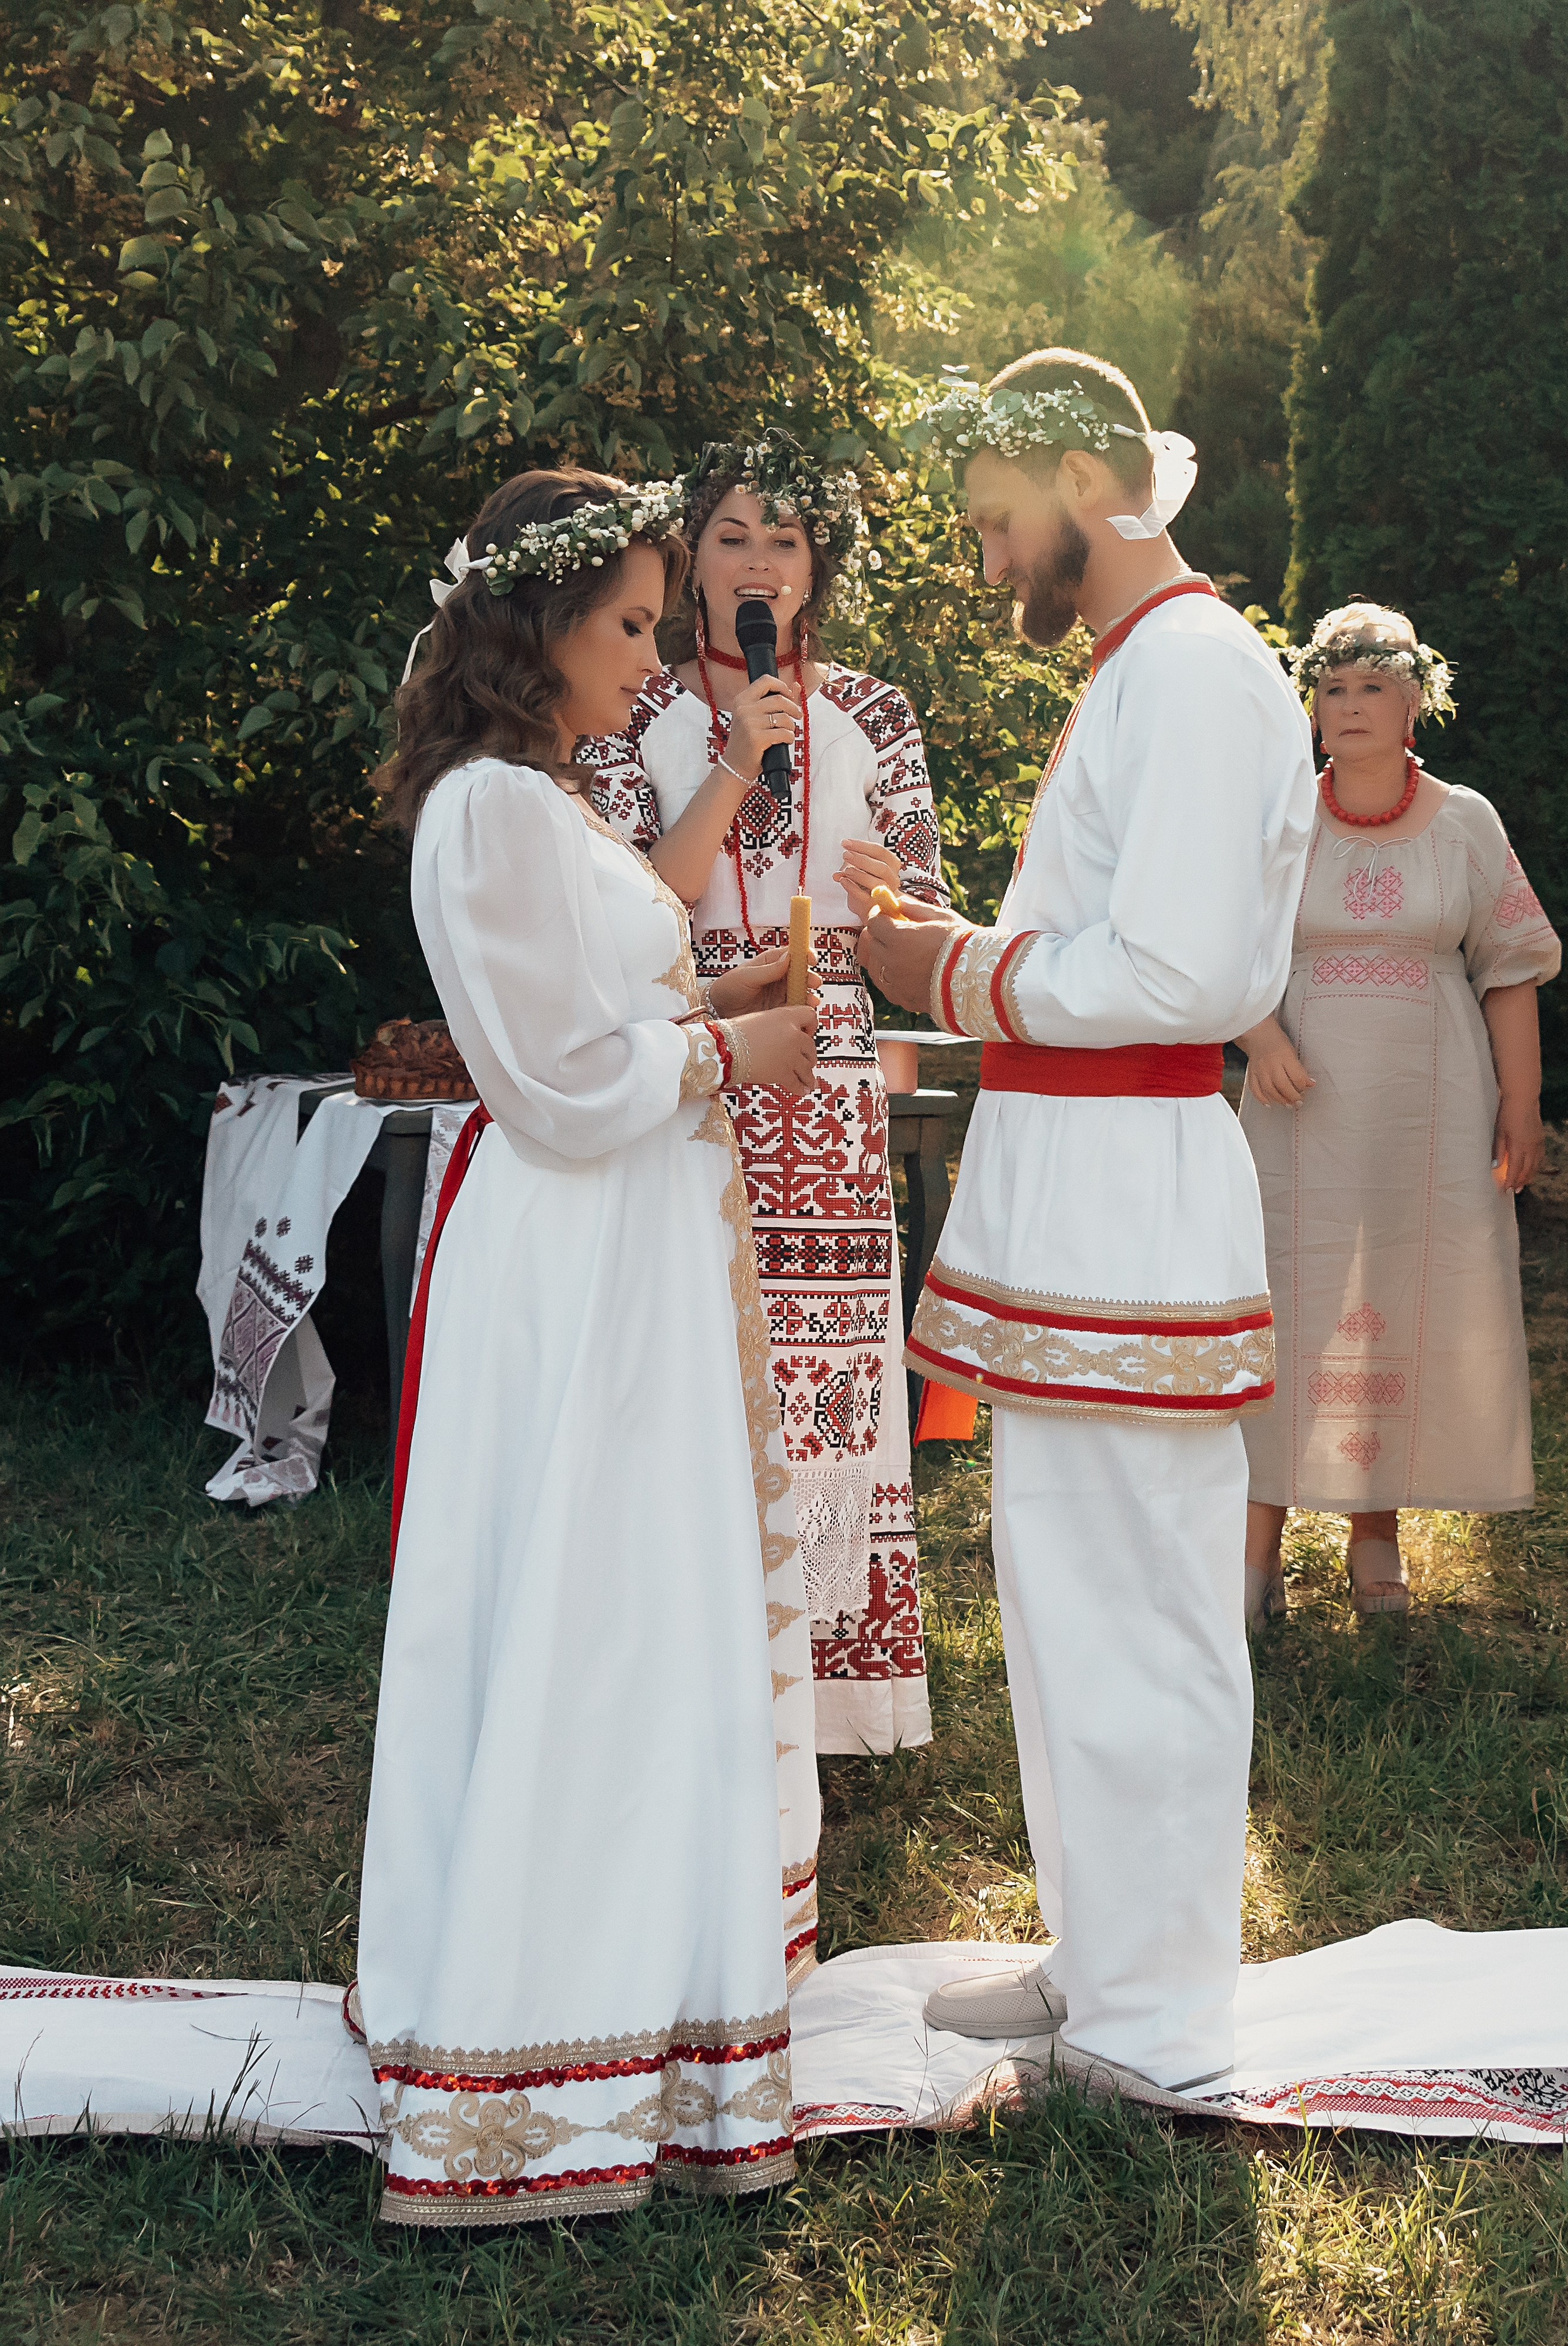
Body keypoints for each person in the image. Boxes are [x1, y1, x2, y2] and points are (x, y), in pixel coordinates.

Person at [356, 469, 823, 2227]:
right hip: (572, 1253)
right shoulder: (485, 811)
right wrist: (728, 1062)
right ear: (532, 626)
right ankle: (536, 2037)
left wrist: (710, 999)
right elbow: (553, 1083)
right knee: (583, 1602)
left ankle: (649, 1993)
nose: (655, 652)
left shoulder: (540, 805)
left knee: (638, 1604)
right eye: (631, 624)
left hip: (627, 1246)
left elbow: (602, 994)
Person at [862, 350, 1315, 2094]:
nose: (987, 567)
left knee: (1141, 1602)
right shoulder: (1141, 671)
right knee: (1066, 1594)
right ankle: (1108, 1955)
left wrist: (943, 966)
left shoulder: (1197, 673)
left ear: (1074, 472)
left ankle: (1159, 2021)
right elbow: (1116, 946)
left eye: (994, 525)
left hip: (1132, 1202)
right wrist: (953, 945)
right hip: (1072, 1196)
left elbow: (1189, 975)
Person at [582, 429, 948, 1755]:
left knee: (827, 1377)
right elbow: (635, 902)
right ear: (690, 564)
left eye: (781, 541)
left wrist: (885, 906)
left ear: (814, 570)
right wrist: (735, 752)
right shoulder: (628, 704)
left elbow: (924, 902)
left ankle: (832, 1702)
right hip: (692, 1058)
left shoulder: (874, 712)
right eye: (731, 536)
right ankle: (694, 1688)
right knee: (698, 1353)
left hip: (828, 1063)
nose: (756, 562)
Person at [1237, 603, 1560, 1627]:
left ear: (1416, 699)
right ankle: (1255, 1547)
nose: (1348, 705)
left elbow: (1510, 966)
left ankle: (1376, 1535)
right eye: (1332, 688)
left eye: (1371, 686)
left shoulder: (1467, 820)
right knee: (1287, 1299)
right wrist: (1260, 1037)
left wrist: (1524, 1100)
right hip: (1298, 1106)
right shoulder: (1281, 815)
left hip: (1432, 1113)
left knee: (1394, 1292)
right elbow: (1225, 949)